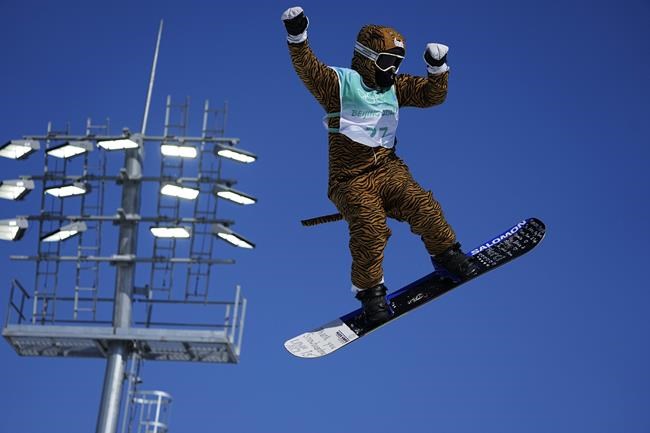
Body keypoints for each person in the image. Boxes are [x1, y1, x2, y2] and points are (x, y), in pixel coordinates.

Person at [281, 6, 478, 325]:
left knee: (421, 203)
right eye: (386, 62)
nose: (391, 71)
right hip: (350, 179)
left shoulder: (395, 88)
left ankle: (446, 255)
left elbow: (430, 96)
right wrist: (297, 36)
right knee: (371, 227)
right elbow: (309, 69)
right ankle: (370, 293)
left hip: (388, 169)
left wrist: (437, 70)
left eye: (397, 64)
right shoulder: (340, 85)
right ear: (366, 57)